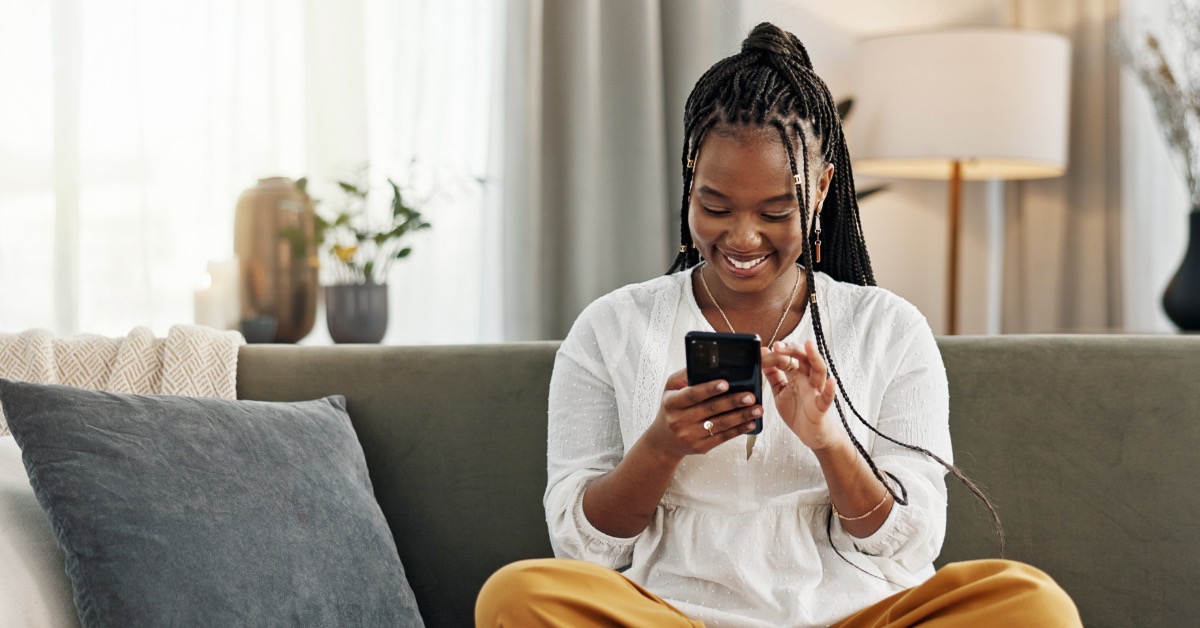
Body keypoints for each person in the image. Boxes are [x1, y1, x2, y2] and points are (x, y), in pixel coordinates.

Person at [476, 22, 1081, 627]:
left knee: (1033, 605)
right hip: (672, 617)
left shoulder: (889, 328)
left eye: (775, 212)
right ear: (690, 179)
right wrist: (661, 447)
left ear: (820, 190)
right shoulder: (611, 327)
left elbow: (908, 547)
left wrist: (829, 442)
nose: (743, 238)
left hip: (853, 616)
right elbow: (583, 549)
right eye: (715, 206)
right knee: (517, 594)